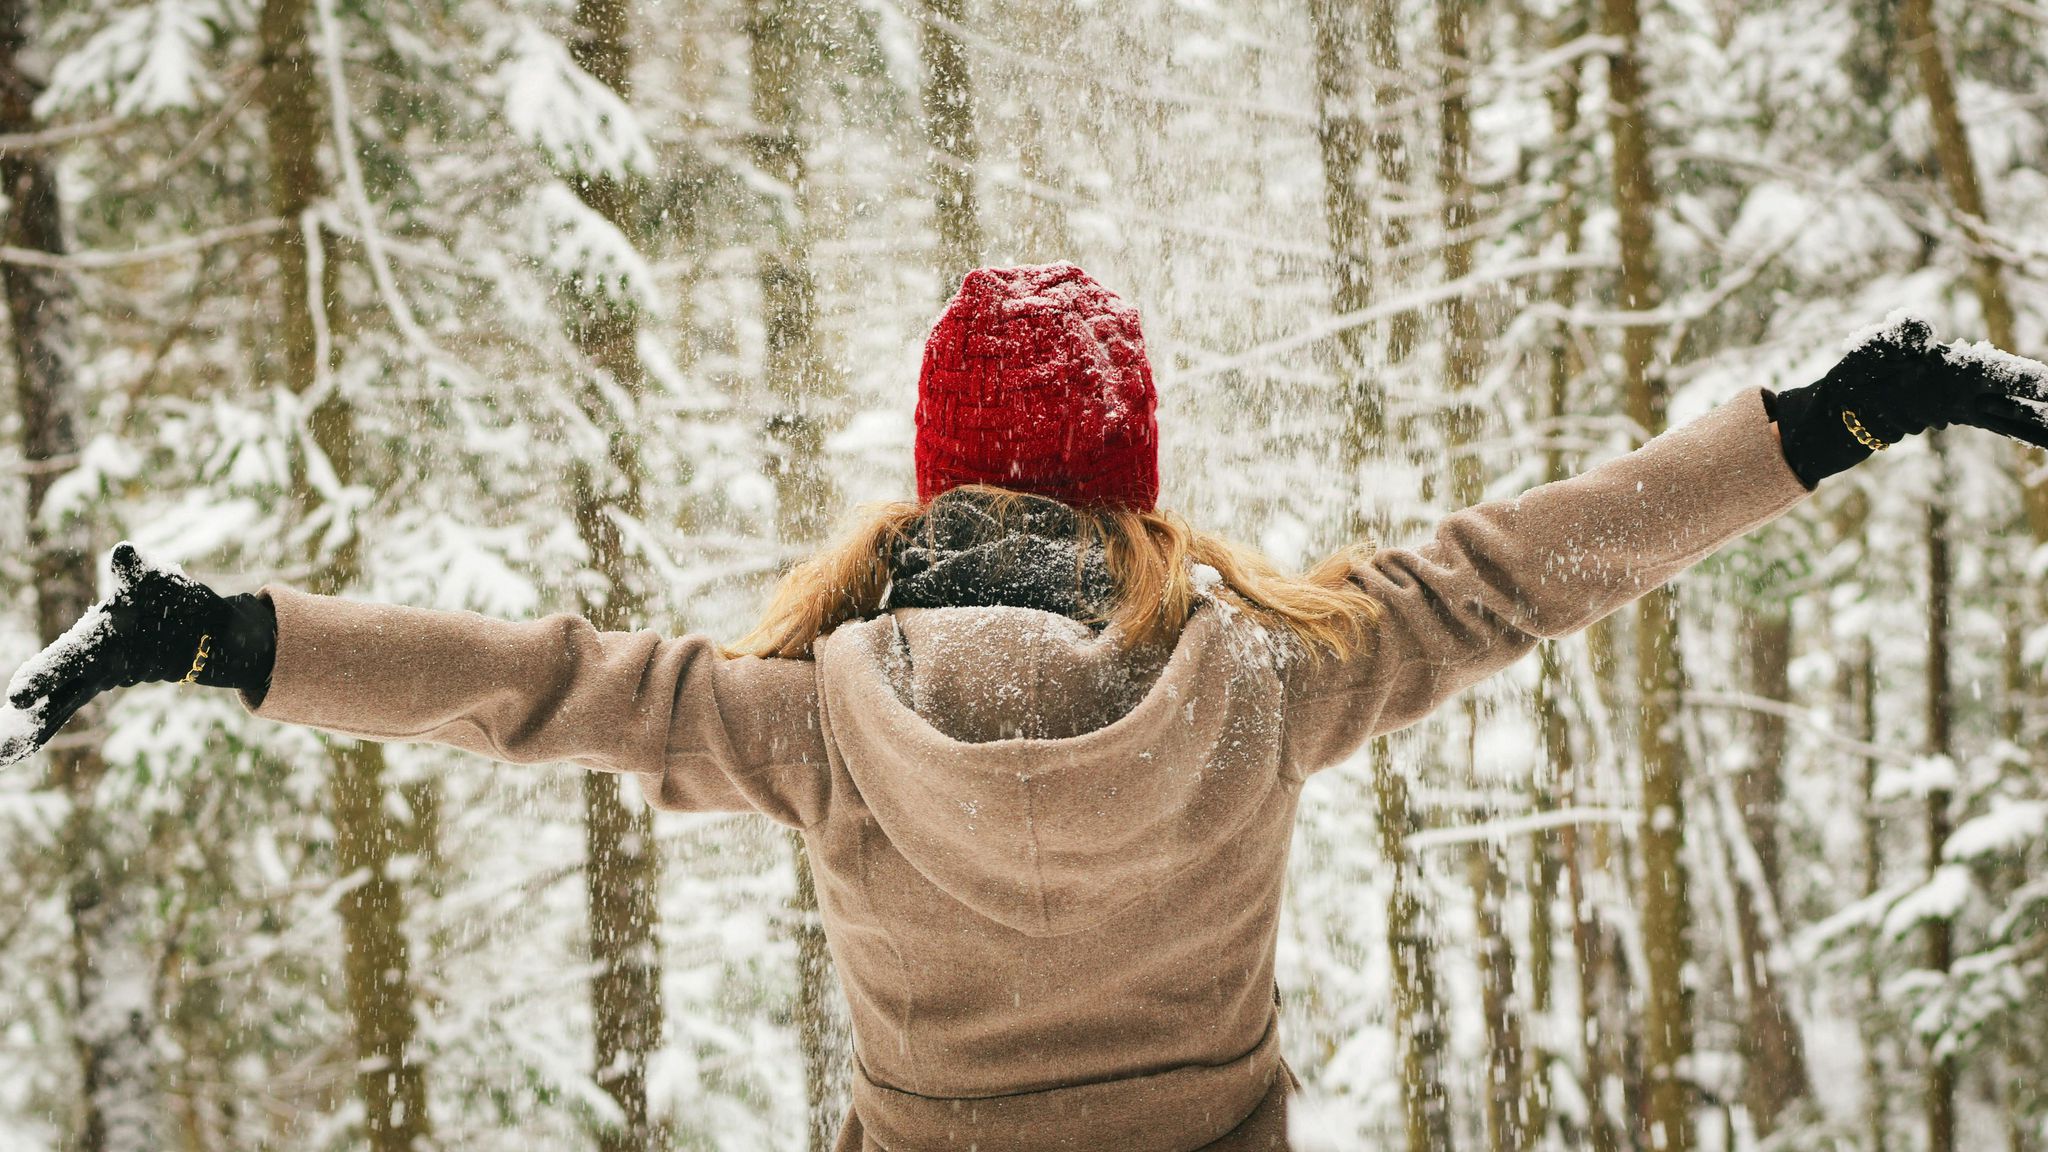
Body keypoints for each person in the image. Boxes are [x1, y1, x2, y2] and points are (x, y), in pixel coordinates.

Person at [4, 263, 2046, 1151]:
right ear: (1132, 477)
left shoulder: (807, 721)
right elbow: (1530, 565)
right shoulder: (1269, 679)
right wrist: (1832, 419)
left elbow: (529, 692)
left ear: (929, 483)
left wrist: (222, 634)